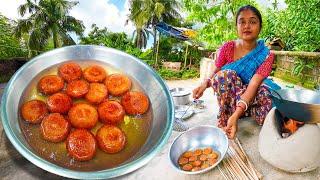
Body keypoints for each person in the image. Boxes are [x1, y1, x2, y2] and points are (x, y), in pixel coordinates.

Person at [193, 5, 277, 139]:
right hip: (231, 97)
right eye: (242, 22)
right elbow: (217, 70)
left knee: (267, 92)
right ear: (236, 26)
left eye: (253, 22)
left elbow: (254, 85)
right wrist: (204, 84)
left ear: (260, 27)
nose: (247, 26)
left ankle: (241, 113)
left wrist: (237, 113)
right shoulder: (228, 47)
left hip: (250, 96)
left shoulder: (266, 55)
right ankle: (227, 116)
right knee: (224, 76)